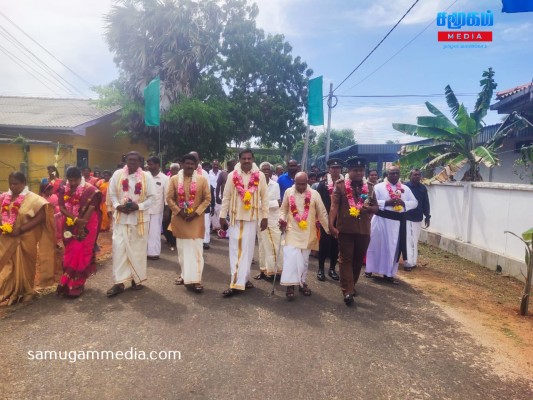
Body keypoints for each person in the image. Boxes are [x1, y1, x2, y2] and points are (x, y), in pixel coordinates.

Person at [0, 172, 56, 306]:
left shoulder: (34, 199)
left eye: (16, 184)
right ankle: (8, 291)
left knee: (26, 267)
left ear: (24, 183)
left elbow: (42, 217)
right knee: (7, 268)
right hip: (6, 239)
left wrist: (20, 229)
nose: (13, 186)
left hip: (26, 238)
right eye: (11, 183)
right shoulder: (3, 198)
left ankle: (26, 291)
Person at [106, 151, 156, 297]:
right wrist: (117, 206)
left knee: (138, 250)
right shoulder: (117, 174)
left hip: (139, 219)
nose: (132, 162)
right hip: (121, 219)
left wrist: (138, 207)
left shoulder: (146, 177)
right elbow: (113, 194)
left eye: (135, 160)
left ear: (140, 162)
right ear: (125, 160)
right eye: (129, 160)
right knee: (119, 248)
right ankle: (119, 283)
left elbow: (153, 198)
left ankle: (137, 279)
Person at [329, 157, 378, 306]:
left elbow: (376, 207)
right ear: (348, 171)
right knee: (345, 259)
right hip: (345, 229)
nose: (358, 172)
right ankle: (347, 290)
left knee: (357, 260)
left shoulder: (369, 187)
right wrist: (331, 225)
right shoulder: (341, 186)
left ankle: (352, 284)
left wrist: (368, 209)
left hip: (364, 230)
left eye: (361, 170)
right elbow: (334, 206)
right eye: (355, 170)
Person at [219, 149, 268, 297]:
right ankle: (235, 283)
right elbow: (226, 196)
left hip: (252, 218)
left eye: (249, 158)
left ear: (253, 159)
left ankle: (244, 279)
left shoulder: (260, 176)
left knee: (247, 252)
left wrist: (264, 217)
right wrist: (222, 216)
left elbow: (264, 197)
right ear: (239, 160)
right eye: (243, 158)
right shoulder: (232, 176)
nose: (246, 161)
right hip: (236, 218)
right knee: (236, 251)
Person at [279, 172, 329, 300]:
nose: (301, 187)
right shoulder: (288, 192)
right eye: (298, 184)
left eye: (303, 184)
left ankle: (301, 282)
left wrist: (329, 230)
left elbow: (322, 213)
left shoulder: (314, 194)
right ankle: (290, 286)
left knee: (304, 260)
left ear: (307, 182)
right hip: (291, 231)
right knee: (290, 259)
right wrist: (282, 220)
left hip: (307, 233)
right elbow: (283, 210)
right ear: (294, 182)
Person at [365, 166, 418, 284]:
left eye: (396, 173)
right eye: (391, 173)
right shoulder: (378, 187)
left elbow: (415, 203)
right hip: (381, 219)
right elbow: (370, 202)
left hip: (396, 224)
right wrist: (386, 203)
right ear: (386, 174)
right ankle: (370, 269)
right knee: (375, 245)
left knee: (392, 248)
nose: (394, 175)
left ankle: (388, 274)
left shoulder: (405, 188)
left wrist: (403, 203)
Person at [167, 154, 211, 292]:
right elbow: (169, 199)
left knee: (196, 250)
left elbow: (207, 199)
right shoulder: (174, 180)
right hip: (179, 219)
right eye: (187, 163)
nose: (190, 166)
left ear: (196, 165)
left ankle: (196, 280)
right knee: (182, 250)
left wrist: (196, 212)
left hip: (196, 220)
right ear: (181, 163)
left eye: (192, 164)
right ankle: (185, 275)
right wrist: (179, 211)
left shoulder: (202, 180)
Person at [56, 167, 102, 297]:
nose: (73, 183)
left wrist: (82, 223)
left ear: (80, 178)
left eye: (75, 180)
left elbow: (92, 207)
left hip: (88, 223)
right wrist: (74, 219)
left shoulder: (90, 190)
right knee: (71, 251)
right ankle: (67, 281)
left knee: (82, 251)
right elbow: (62, 207)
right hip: (70, 221)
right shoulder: (63, 189)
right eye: (70, 180)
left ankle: (77, 283)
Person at [316, 158, 343, 282]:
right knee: (324, 244)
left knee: (335, 245)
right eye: (333, 168)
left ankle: (332, 269)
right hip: (325, 218)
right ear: (329, 169)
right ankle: (321, 269)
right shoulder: (322, 185)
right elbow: (318, 203)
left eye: (338, 168)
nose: (335, 170)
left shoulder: (345, 184)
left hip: (340, 219)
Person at [255, 162, 283, 280]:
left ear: (272, 172)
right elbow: (254, 203)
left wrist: (262, 204)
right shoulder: (255, 185)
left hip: (272, 220)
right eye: (263, 169)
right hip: (259, 219)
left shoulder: (275, 185)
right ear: (259, 172)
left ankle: (275, 271)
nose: (266, 171)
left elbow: (278, 203)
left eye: (268, 169)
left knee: (274, 246)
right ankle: (263, 270)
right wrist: (263, 204)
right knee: (262, 245)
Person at [404, 169, 431, 271]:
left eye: (418, 175)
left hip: (418, 218)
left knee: (414, 239)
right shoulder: (405, 187)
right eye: (414, 175)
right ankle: (408, 262)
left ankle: (413, 261)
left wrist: (427, 216)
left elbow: (426, 203)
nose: (417, 176)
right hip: (407, 217)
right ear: (410, 176)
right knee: (408, 240)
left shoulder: (423, 188)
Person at [146, 156, 169, 260]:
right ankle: (143, 252)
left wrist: (166, 211)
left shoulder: (164, 178)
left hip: (157, 209)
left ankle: (154, 253)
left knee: (154, 232)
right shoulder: (144, 176)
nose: (148, 166)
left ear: (157, 165)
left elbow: (167, 196)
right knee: (144, 232)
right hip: (144, 209)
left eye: (150, 164)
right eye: (148, 164)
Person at [190, 151, 212, 250]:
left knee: (205, 222)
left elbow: (207, 189)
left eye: (195, 158)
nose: (193, 160)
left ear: (198, 160)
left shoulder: (204, 173)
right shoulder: (185, 171)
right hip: (189, 202)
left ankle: (205, 241)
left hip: (202, 201)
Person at [215, 159, 236, 238]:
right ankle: (222, 232)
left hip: (234, 200)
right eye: (233, 165)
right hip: (225, 198)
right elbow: (218, 186)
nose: (235, 167)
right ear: (228, 166)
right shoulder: (223, 174)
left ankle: (231, 233)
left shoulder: (238, 174)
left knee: (231, 216)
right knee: (223, 216)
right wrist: (217, 196)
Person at [163, 163, 180, 251]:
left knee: (175, 223)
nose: (175, 171)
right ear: (170, 170)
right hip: (166, 205)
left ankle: (174, 241)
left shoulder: (181, 180)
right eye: (173, 169)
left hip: (177, 206)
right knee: (166, 223)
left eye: (177, 169)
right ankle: (168, 239)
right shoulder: (166, 179)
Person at [209, 159, 222, 232]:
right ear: (212, 165)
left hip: (219, 195)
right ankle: (215, 228)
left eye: (217, 165)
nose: (216, 166)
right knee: (212, 211)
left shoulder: (221, 173)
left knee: (220, 211)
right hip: (211, 195)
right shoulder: (209, 173)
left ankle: (220, 228)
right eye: (214, 165)